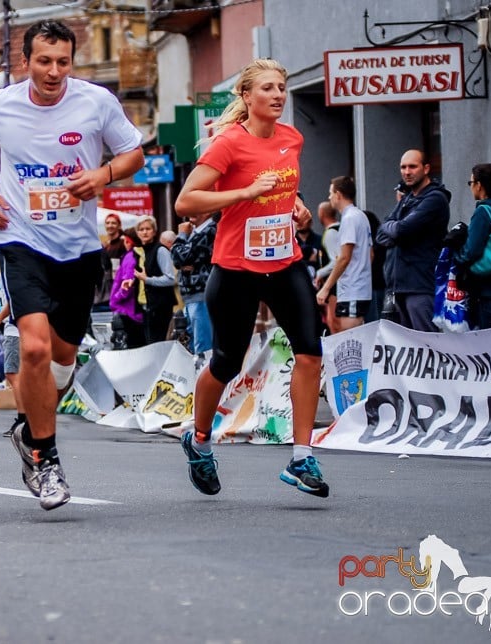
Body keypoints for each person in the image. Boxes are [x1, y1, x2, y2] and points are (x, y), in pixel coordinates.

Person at [0, 19, 144, 510]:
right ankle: (46, 460)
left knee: (63, 358)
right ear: (25, 61)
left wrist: (103, 174)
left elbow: (134, 153)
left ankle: (30, 428)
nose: (54, 71)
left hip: (80, 249)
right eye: (44, 61)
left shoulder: (95, 101)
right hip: (22, 240)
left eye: (63, 61)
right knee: (36, 350)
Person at [173, 58, 329, 499]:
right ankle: (199, 439)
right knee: (227, 361)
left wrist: (296, 205)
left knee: (310, 353)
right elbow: (187, 202)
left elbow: (282, 184)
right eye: (267, 88)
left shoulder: (291, 138)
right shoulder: (228, 144)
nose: (278, 95)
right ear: (246, 96)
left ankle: (302, 457)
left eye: (282, 87)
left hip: (285, 262)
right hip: (236, 269)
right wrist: (242, 194)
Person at [375, 149, 451, 332]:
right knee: (408, 351)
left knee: (427, 347)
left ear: (426, 169)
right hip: (398, 286)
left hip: (420, 286)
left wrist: (395, 229)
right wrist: (395, 229)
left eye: (412, 166)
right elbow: (380, 234)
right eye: (403, 167)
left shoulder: (435, 198)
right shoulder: (408, 198)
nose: (407, 172)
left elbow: (401, 229)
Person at [449, 163, 491, 329]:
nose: (471, 188)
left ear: (479, 185)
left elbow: (471, 251)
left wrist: (456, 254)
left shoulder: (483, 212)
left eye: (471, 183)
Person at [316, 176, 373, 331]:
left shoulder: (349, 218)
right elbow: (370, 254)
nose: (329, 197)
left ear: (338, 194)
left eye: (331, 193)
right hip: (358, 288)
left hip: (352, 290)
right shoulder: (360, 216)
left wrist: (326, 287)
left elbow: (344, 257)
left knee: (352, 341)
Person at [172, 212, 218, 355]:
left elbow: (179, 257)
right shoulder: (197, 231)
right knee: (190, 344)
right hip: (192, 298)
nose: (191, 211)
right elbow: (182, 260)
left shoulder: (210, 230)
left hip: (201, 296)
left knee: (203, 348)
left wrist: (181, 236)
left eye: (196, 208)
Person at [128, 215, 177, 343]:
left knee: (158, 344)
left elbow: (170, 279)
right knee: (149, 344)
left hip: (160, 305)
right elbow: (143, 275)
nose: (144, 232)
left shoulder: (160, 250)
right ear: (137, 232)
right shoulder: (140, 251)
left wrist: (147, 279)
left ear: (154, 231)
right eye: (141, 229)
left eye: (148, 229)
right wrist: (133, 281)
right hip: (145, 305)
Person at [0, 302, 25, 437]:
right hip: (22, 328)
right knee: (22, 376)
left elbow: (14, 296)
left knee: (13, 374)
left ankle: (24, 421)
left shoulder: (9, 279)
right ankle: (28, 420)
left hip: (16, 330)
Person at [109, 228, 146, 349]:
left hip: (128, 310)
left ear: (129, 242)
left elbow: (127, 283)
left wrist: (117, 297)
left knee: (131, 346)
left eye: (125, 241)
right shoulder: (136, 255)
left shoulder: (130, 257)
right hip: (132, 310)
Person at [315, 201, 341, 334]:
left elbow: (336, 261)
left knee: (334, 322)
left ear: (322, 214)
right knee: (331, 321)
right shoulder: (339, 229)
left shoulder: (331, 233)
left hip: (335, 285)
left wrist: (319, 273)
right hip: (336, 285)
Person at [96, 212, 127, 310]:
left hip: (120, 283)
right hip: (106, 284)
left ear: (119, 225)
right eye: (108, 223)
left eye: (113, 223)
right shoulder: (105, 244)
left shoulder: (123, 243)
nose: (110, 225)